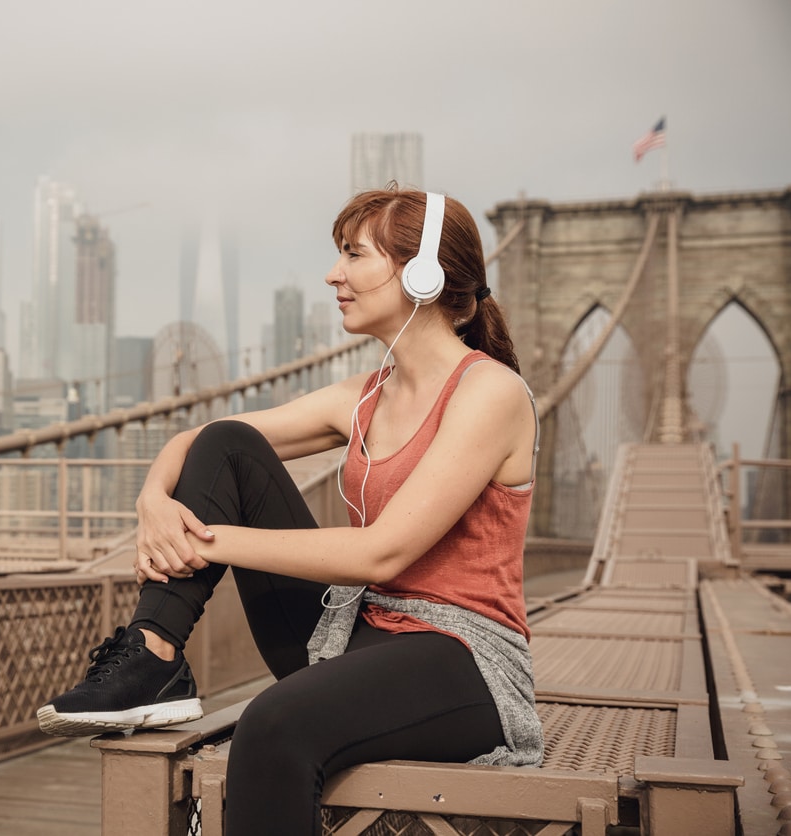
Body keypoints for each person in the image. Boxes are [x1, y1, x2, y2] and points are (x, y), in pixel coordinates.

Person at [38, 185, 544, 834]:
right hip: (357, 634)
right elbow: (198, 442)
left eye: (354, 255)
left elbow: (379, 553)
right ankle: (152, 656)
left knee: (272, 723)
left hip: (463, 660)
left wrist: (203, 541)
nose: (333, 274)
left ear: (422, 272)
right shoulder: (362, 398)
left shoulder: (492, 393)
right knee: (229, 443)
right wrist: (153, 501)